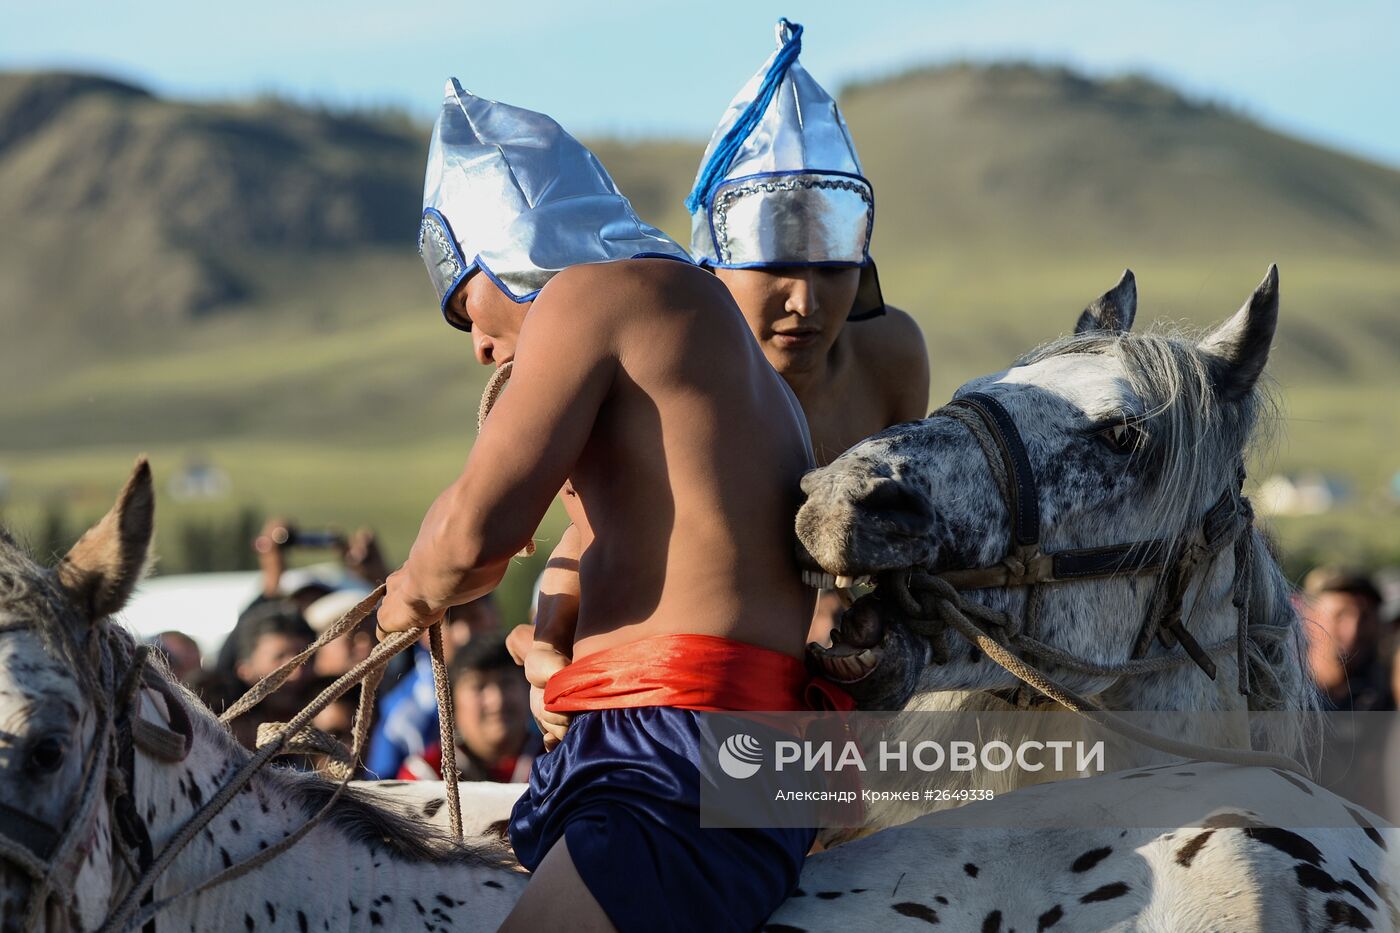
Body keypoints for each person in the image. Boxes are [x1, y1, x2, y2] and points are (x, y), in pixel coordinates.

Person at [376, 81, 847, 932]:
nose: (478, 343)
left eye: (465, 307)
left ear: (503, 249)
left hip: (680, 750)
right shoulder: (690, 318)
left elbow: (473, 535)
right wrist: (546, 644)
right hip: (692, 744)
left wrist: (401, 599)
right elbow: (585, 539)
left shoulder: (591, 296)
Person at [687, 19, 930, 643]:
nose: (805, 300)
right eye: (774, 268)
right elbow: (596, 538)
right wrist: (542, 638)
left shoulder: (891, 357)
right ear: (716, 272)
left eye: (830, 268)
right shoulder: (676, 380)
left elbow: (906, 544)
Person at [365, 593, 502, 778]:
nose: (465, 634)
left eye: (474, 617)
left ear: (495, 617)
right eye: (451, 622)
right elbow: (382, 784)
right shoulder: (405, 716)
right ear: (425, 634)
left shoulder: (526, 683)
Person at [397, 633, 540, 782]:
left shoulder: (557, 763)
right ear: (450, 702)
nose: (496, 700)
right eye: (479, 686)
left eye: (507, 683)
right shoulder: (425, 775)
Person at [1302, 567, 1391, 711]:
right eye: (1340, 615)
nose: (1353, 631)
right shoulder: (1279, 689)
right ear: (1310, 618)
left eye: (1365, 617)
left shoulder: (1388, 691)